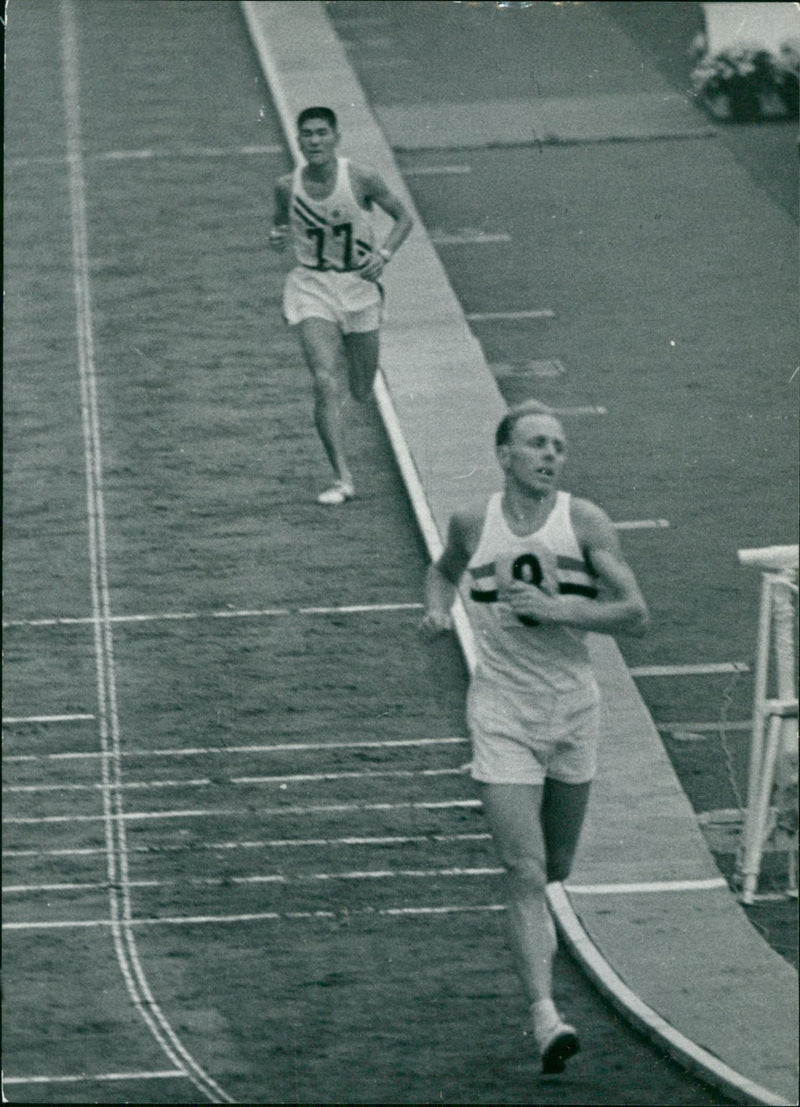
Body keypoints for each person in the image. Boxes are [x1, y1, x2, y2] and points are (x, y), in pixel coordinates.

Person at [422, 400, 649, 1073]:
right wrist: (436, 611)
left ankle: (541, 978)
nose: (550, 455)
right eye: (536, 443)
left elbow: (635, 614)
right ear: (504, 455)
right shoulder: (474, 522)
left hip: (573, 709)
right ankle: (545, 1015)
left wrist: (560, 609)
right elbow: (442, 569)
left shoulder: (583, 521)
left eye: (558, 444)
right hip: (500, 710)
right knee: (522, 869)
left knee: (554, 867)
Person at [269, 106, 413, 504]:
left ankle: (347, 355)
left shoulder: (361, 177)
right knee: (323, 380)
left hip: (359, 285)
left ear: (335, 138)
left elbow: (403, 218)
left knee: (362, 388)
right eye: (307, 135)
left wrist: (382, 255)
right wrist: (277, 235)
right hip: (312, 284)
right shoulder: (286, 185)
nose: (314, 141)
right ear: (298, 141)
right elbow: (280, 220)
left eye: (321, 134)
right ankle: (342, 478)